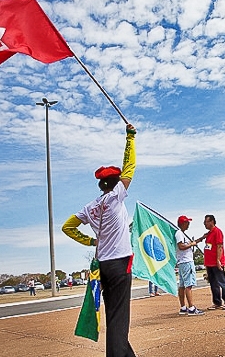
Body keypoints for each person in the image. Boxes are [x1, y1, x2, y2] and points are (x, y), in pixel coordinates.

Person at [62, 123, 137, 357]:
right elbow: (130, 167)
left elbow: (67, 227)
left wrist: (90, 242)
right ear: (115, 184)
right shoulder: (116, 197)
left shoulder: (90, 206)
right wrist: (130, 137)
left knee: (114, 314)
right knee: (119, 318)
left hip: (102, 265)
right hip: (119, 263)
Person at [199, 214, 225, 310]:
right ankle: (217, 302)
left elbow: (219, 246)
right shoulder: (208, 233)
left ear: (212, 222)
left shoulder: (217, 232)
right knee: (213, 283)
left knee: (222, 282)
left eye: (206, 221)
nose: (204, 224)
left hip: (216, 262)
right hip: (209, 263)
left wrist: (218, 260)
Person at [175, 215, 204, 315]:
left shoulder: (182, 234)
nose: (189, 224)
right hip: (186, 262)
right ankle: (191, 308)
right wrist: (191, 244)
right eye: (187, 222)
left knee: (182, 285)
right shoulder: (179, 234)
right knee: (189, 285)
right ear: (183, 223)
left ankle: (183, 307)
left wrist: (201, 238)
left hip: (183, 262)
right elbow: (181, 246)